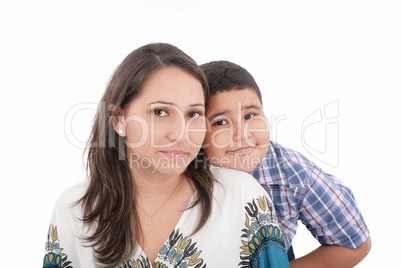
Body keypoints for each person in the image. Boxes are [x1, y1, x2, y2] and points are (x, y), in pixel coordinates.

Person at [43, 43, 290, 268]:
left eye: (193, 114)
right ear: (120, 119)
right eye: (160, 112)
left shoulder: (242, 197)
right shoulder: (74, 210)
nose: (180, 134)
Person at [200, 60, 371, 267]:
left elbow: (353, 243)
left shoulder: (293, 173)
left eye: (250, 116)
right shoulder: (181, 170)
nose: (241, 134)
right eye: (220, 122)